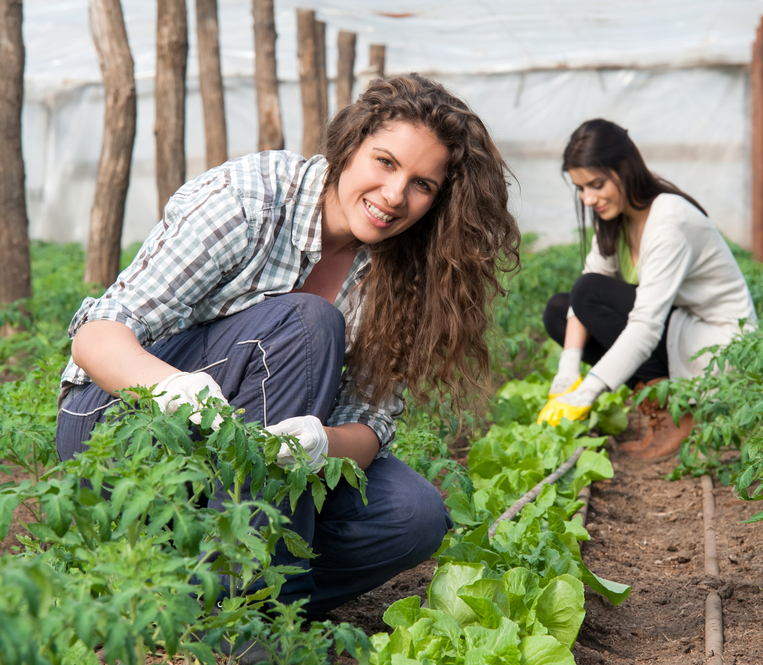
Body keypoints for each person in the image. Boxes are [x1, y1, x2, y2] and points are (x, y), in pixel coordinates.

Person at [56, 74, 520, 617]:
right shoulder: (251, 198)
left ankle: (195, 594)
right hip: (122, 429)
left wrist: (320, 442)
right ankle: (260, 615)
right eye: (385, 162)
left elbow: (371, 422)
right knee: (308, 323)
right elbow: (97, 333)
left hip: (245, 464)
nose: (395, 196)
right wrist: (170, 387)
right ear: (349, 145)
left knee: (412, 515)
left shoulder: (408, 272)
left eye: (423, 185)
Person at [538, 119, 756, 461]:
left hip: (716, 345)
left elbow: (645, 324)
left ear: (625, 170)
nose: (588, 198)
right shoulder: (617, 219)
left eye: (595, 184)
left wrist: (591, 389)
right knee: (559, 311)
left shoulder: (669, 220)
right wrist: (568, 368)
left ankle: (676, 413)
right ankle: (657, 405)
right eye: (581, 188)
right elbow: (588, 284)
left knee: (588, 293)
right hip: (677, 330)